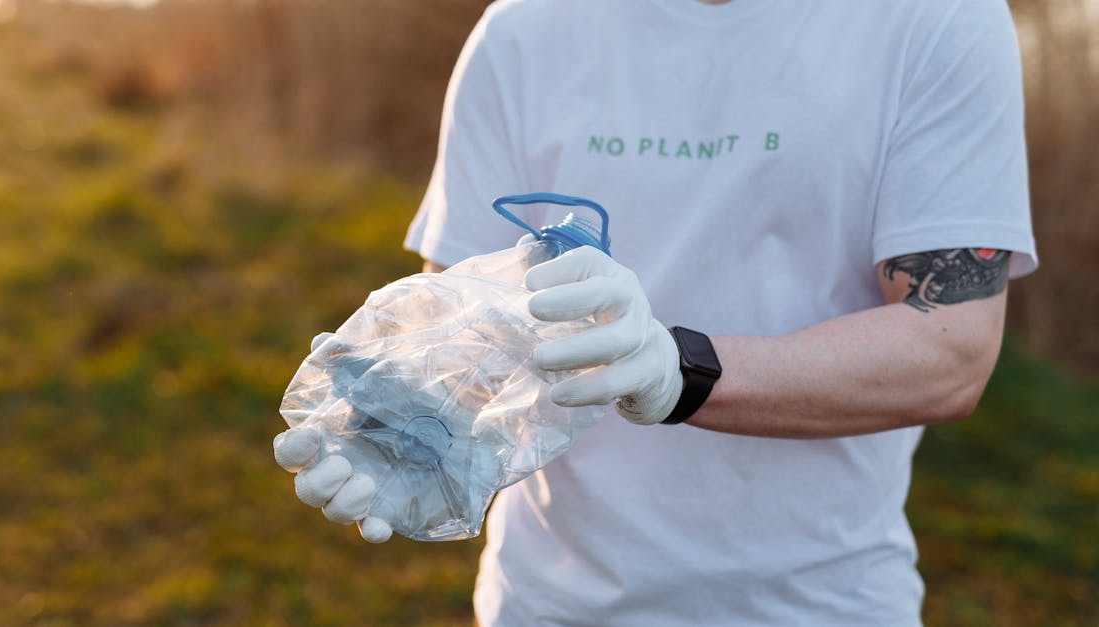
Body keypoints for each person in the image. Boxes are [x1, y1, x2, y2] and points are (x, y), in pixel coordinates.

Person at [273, 0, 1038, 623]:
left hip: (822, 604)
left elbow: (951, 349)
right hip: (549, 604)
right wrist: (394, 422)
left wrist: (682, 370)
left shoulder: (936, 19)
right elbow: (459, 324)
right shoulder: (522, 31)